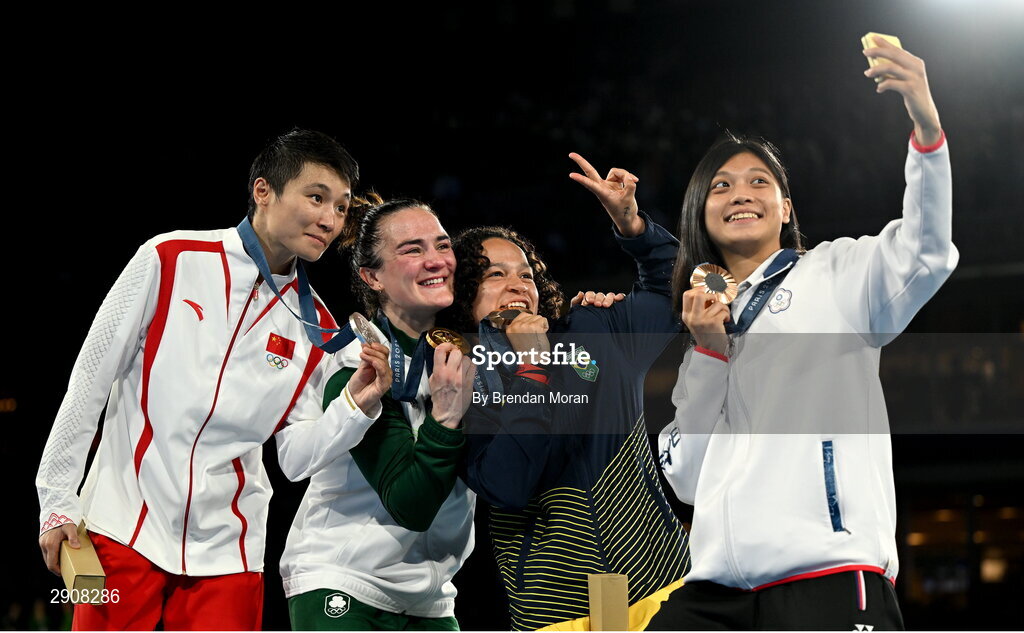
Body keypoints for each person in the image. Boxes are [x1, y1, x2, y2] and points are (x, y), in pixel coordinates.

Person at [652, 37, 956, 630]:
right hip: (718, 591)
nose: (740, 192)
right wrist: (710, 358)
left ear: (786, 208)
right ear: (701, 212)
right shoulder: (703, 332)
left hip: (825, 573)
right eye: (721, 185)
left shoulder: (838, 274)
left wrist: (926, 128)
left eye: (758, 182)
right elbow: (687, 481)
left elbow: (925, 251)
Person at [35, 128, 392, 630]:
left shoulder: (320, 331)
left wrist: (356, 407)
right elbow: (89, 382)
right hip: (124, 523)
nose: (329, 220)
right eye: (316, 198)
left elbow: (294, 458)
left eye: (340, 207)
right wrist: (56, 499)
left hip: (230, 549)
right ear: (263, 191)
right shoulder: (169, 258)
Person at [449, 154, 691, 632]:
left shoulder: (594, 327)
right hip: (557, 615)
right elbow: (509, 485)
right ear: (463, 296)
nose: (517, 284)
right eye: (494, 275)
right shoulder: (459, 384)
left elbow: (674, 293)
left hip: (664, 586)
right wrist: (533, 366)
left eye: (525, 274)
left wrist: (633, 226)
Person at [280, 199, 478, 631]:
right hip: (344, 584)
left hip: (433, 598)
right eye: (412, 250)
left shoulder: (462, 356)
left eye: (442, 245)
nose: (436, 261)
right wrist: (445, 420)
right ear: (373, 277)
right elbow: (410, 504)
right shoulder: (357, 366)